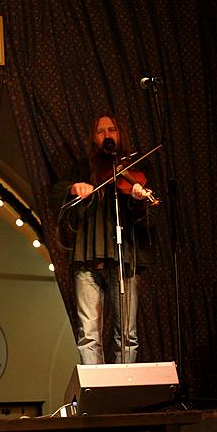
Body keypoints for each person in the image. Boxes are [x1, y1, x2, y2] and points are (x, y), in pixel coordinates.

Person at [50, 114, 157, 365]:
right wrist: (74, 189)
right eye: (101, 131)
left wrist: (138, 201)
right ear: (93, 138)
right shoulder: (82, 168)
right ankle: (98, 398)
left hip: (124, 258)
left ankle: (125, 394)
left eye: (112, 130)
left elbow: (147, 224)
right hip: (87, 257)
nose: (107, 135)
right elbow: (58, 197)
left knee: (128, 336)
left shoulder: (133, 170)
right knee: (89, 335)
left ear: (120, 135)